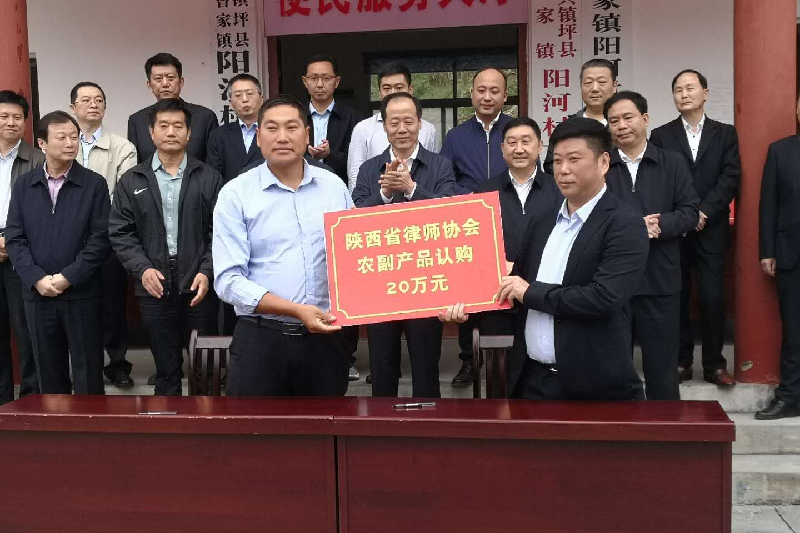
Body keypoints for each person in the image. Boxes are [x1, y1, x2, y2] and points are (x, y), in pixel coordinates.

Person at [440, 117, 649, 401]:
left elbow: (603, 297)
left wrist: (529, 292)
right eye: (558, 160)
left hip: (593, 387)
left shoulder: (624, 223)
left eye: (574, 159)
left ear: (603, 163)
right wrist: (469, 305)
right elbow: (514, 287)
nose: (563, 170)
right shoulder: (543, 221)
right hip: (532, 381)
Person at [213, 95, 353, 397]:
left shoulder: (334, 187)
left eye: (291, 127)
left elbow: (355, 256)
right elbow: (228, 281)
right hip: (261, 339)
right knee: (257, 426)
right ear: (258, 137)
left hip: (326, 342)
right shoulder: (236, 194)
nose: (282, 137)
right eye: (272, 128)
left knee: (325, 425)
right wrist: (296, 310)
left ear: (307, 134)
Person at [110, 99, 221, 396]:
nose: (171, 132)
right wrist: (142, 269)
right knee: (165, 369)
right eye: (164, 125)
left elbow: (221, 232)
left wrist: (207, 271)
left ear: (189, 133)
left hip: (199, 283)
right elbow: (121, 232)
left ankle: (206, 420)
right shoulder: (132, 180)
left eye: (178, 126)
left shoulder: (209, 177)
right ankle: (170, 417)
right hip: (153, 283)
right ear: (151, 132)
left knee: (204, 367)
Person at [352, 92, 455, 398]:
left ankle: (430, 424)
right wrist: (384, 195)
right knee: (382, 365)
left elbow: (449, 214)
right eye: (394, 122)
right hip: (381, 282)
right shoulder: (369, 169)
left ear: (420, 123)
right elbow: (354, 220)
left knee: (426, 363)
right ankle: (383, 424)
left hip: (426, 279)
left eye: (408, 121)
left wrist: (411, 190)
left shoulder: (440, 165)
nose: (402, 129)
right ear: (384, 126)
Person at [446, 117, 563, 385]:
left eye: (526, 141)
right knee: (501, 377)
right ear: (502, 149)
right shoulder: (484, 191)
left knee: (545, 373)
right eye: (512, 142)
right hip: (498, 298)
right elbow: (473, 245)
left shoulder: (558, 189)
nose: (519, 149)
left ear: (540, 146)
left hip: (545, 294)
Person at [5, 111, 110, 395]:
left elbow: (100, 240)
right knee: (48, 375)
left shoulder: (94, 184)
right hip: (38, 295)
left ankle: (90, 423)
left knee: (88, 373)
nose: (70, 143)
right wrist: (36, 279)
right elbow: (15, 238)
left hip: (81, 293)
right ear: (42, 143)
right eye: (61, 137)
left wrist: (67, 277)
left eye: (74, 137)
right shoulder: (24, 185)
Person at [604, 91, 699, 400]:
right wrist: (634, 227)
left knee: (662, 369)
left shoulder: (672, 162)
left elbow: (690, 212)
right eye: (614, 121)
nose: (621, 126)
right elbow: (590, 217)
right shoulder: (601, 166)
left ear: (645, 119)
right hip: (613, 283)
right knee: (614, 368)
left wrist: (658, 226)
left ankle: (665, 427)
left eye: (628, 117)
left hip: (661, 280)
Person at [650, 69, 740, 388]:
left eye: (690, 88)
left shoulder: (725, 133)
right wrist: (683, 216)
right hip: (676, 231)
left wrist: (702, 212)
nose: (684, 94)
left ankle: (714, 364)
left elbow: (730, 177)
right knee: (677, 297)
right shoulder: (661, 136)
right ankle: (681, 361)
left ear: (705, 93)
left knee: (713, 297)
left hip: (710, 229)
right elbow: (659, 181)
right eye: (678, 89)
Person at [440, 67, 511, 386]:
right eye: (481, 90)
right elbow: (445, 179)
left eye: (494, 91)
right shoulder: (456, 136)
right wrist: (469, 196)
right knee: (467, 293)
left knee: (505, 290)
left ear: (504, 96)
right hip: (468, 225)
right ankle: (468, 360)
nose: (487, 96)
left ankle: (506, 358)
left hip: (509, 222)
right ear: (472, 94)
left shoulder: (515, 130)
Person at [70, 81, 138, 388]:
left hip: (109, 236)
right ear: (73, 107)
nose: (93, 104)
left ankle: (117, 363)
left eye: (99, 100)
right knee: (75, 301)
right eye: (85, 100)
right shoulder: (62, 143)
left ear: (105, 107)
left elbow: (123, 194)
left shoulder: (123, 147)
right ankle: (85, 364)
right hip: (69, 238)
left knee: (112, 303)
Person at [756, 93, 800, 420]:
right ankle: (790, 395)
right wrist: (767, 251)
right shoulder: (780, 150)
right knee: (794, 329)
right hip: (790, 254)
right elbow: (768, 204)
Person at [0, 90, 42, 404]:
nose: (11, 122)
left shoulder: (38, 159)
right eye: (4, 116)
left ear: (26, 122)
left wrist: (11, 241)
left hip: (24, 251)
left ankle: (31, 397)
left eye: (17, 117)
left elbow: (43, 210)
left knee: (27, 328)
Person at [347, 62, 439, 193]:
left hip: (421, 201)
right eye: (386, 88)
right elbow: (355, 176)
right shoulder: (363, 128)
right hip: (377, 202)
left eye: (399, 87)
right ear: (379, 92)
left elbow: (434, 170)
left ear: (410, 89)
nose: (393, 93)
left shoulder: (428, 129)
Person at [128, 52, 219, 163]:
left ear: (181, 82)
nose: (165, 84)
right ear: (149, 85)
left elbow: (213, 164)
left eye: (170, 78)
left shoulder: (205, 117)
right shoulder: (137, 121)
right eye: (158, 79)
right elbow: (135, 166)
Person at [543, 58, 618, 175]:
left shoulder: (623, 128)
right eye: (588, 83)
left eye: (602, 82)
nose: (594, 88)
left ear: (614, 86)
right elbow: (550, 167)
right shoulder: (566, 128)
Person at [303, 55, 363, 186]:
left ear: (337, 81)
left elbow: (359, 163)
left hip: (340, 186)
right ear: (305, 81)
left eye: (326, 78)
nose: (319, 84)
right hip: (301, 186)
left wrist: (330, 154)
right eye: (313, 78)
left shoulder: (353, 118)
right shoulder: (296, 117)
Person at [207, 73, 264, 184]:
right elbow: (214, 177)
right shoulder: (218, 135)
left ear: (261, 99)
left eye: (249, 94)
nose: (244, 99)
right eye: (238, 95)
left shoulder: (272, 132)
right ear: (231, 103)